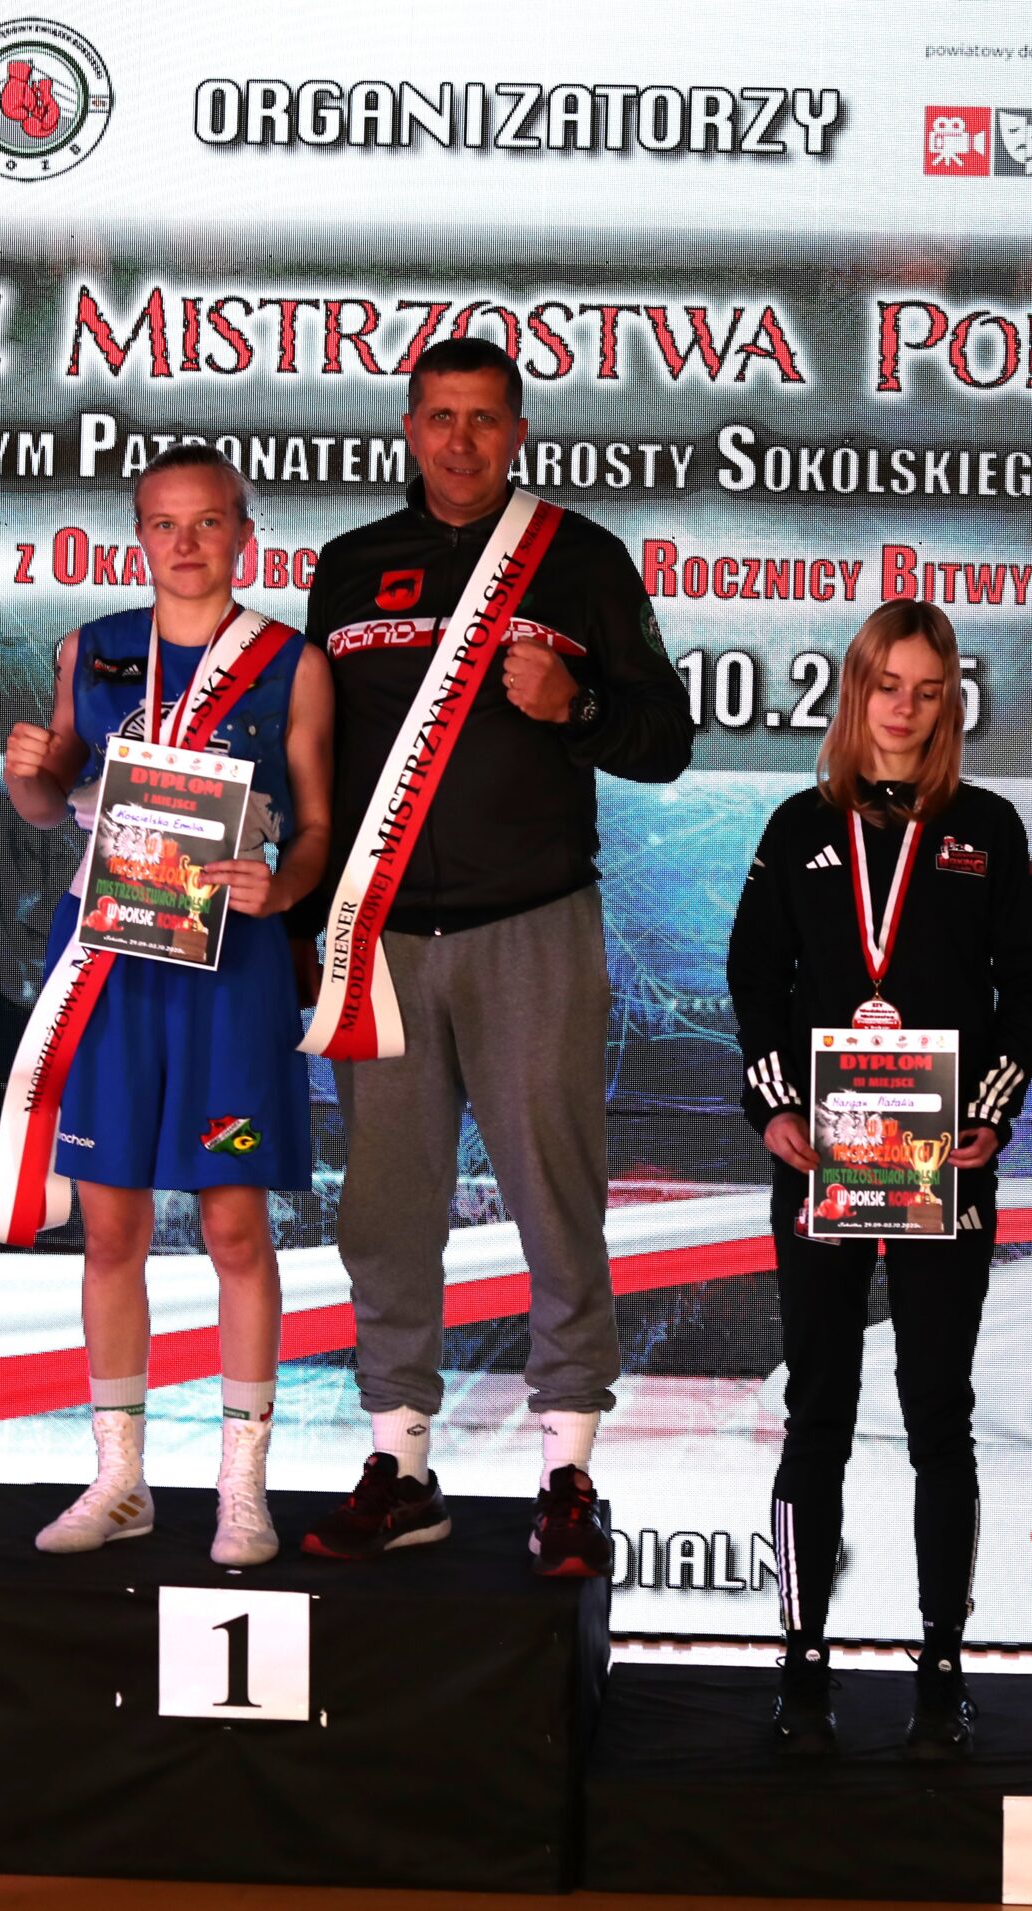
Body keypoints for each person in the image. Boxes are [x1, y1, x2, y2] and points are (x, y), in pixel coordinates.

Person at [295, 334, 691, 1575]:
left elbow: (665, 740)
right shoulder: (349, 567)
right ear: (408, 429)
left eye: (483, 418)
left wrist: (575, 706)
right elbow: (312, 761)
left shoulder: (578, 557)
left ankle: (567, 1470)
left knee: (555, 1197)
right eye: (439, 416)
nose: (460, 440)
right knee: (385, 1209)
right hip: (381, 938)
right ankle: (401, 1464)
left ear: (517, 433)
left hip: (532, 925)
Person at [726, 599, 1032, 1756]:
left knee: (937, 1415)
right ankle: (801, 1660)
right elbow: (753, 979)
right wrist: (776, 1108)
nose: (905, 708)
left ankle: (940, 1663)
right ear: (855, 689)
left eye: (927, 690)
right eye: (887, 685)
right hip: (823, 1161)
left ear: (948, 702)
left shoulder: (987, 828)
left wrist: (988, 1116)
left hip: (942, 1165)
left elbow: (1029, 983)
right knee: (816, 1409)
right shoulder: (795, 828)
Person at [0, 445, 331, 1568]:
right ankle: (120, 1479)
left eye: (208, 522)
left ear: (245, 533)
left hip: (230, 967)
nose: (186, 544)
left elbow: (318, 828)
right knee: (111, 1228)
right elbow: (51, 803)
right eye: (163, 523)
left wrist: (281, 885)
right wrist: (27, 774)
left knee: (233, 1224)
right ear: (138, 534)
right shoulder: (90, 648)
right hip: (109, 961)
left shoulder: (291, 661)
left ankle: (243, 1489)